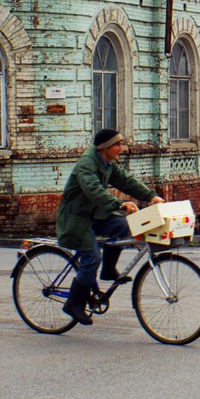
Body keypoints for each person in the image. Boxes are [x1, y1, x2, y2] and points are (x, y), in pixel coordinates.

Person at [56, 128, 164, 325]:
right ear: (105, 148)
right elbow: (94, 191)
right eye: (117, 144)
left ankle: (108, 269)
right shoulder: (86, 165)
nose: (120, 148)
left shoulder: (106, 163)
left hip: (94, 214)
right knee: (92, 257)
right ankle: (73, 304)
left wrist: (150, 196)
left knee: (121, 224)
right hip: (76, 218)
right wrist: (119, 204)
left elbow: (125, 180)